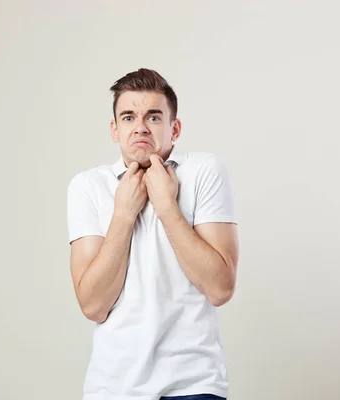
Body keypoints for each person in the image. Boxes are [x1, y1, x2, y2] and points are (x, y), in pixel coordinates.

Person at [67, 68, 239, 400]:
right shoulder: (88, 186)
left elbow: (220, 288)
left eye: (154, 117)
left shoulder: (204, 171)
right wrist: (124, 214)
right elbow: (93, 305)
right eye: (129, 117)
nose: (141, 127)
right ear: (115, 130)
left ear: (174, 128)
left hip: (193, 384)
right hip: (112, 387)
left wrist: (166, 206)